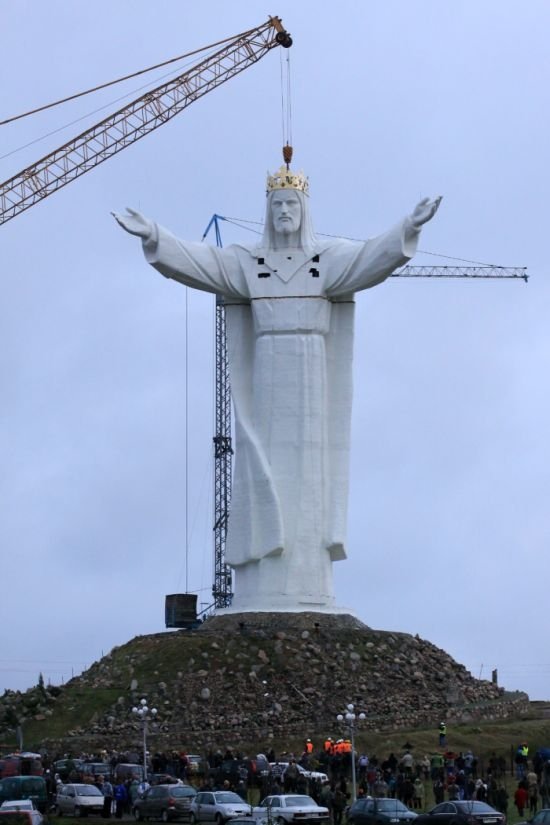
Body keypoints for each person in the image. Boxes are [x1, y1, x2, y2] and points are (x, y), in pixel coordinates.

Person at [113, 156, 441, 611]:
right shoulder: (249, 262)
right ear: (268, 211)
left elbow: (372, 258)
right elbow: (200, 263)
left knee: (309, 477)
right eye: (277, 204)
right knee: (261, 464)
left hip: (311, 372)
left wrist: (409, 225)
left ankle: (307, 578)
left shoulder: (327, 259)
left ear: (305, 210)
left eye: (292, 203)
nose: (284, 211)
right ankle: (264, 573)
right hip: (267, 371)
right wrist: (155, 236)